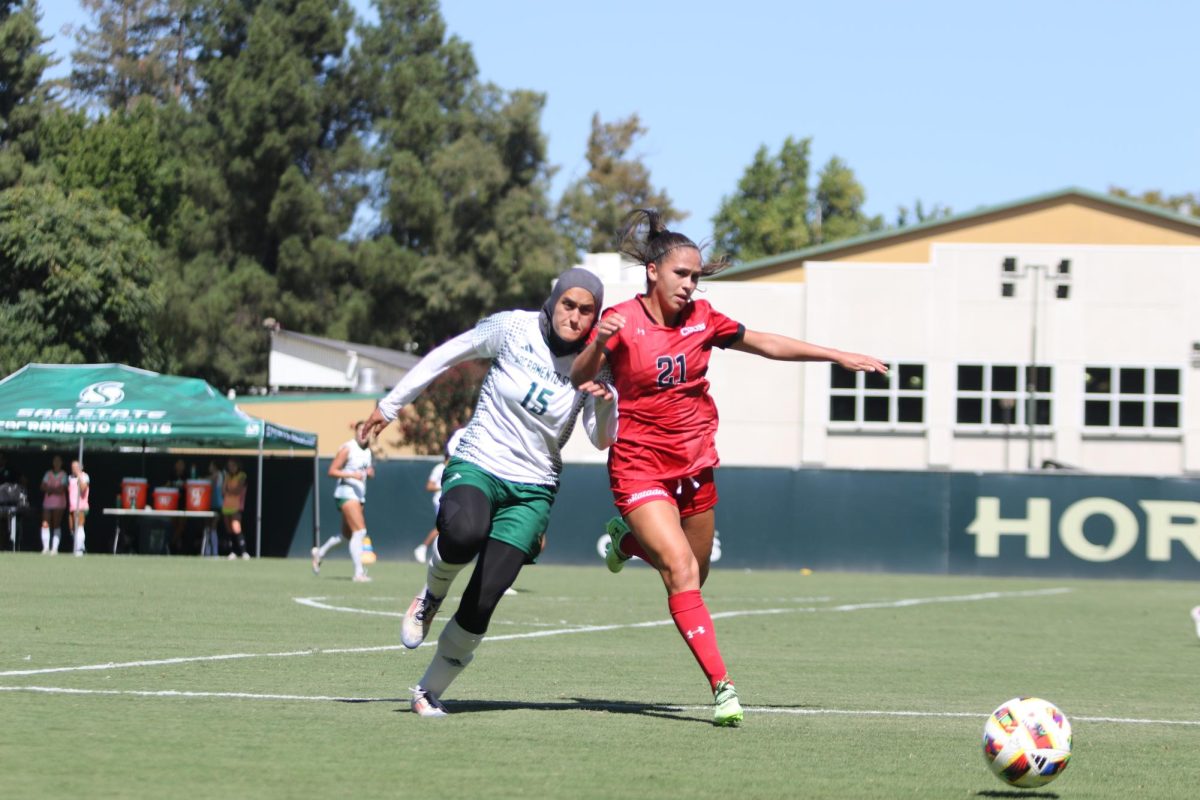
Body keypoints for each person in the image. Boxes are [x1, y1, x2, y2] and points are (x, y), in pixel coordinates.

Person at [570, 209, 889, 727]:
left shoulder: (704, 318)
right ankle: (723, 688)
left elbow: (766, 343)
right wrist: (600, 344)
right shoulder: (623, 321)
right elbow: (580, 373)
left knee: (697, 573)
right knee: (679, 571)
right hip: (639, 466)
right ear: (653, 271)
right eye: (682, 274)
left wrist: (837, 356)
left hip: (695, 462)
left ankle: (625, 543)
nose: (690, 284)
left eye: (696, 276)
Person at [359, 267, 617, 718]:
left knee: (485, 596)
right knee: (462, 533)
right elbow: (447, 354)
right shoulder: (513, 327)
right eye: (568, 305)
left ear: (595, 317)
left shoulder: (598, 360)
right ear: (553, 300)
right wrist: (391, 404)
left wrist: (606, 402)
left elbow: (600, 438)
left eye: (586, 311)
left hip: (534, 486)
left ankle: (427, 691)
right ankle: (430, 596)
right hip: (480, 459)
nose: (575, 317)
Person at [312, 420, 376, 582]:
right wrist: (351, 475)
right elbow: (332, 470)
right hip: (346, 493)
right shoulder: (348, 448)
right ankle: (358, 573)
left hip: (359, 495)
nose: (363, 434)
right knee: (360, 532)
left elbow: (368, 472)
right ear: (355, 432)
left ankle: (319, 553)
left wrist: (369, 472)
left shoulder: (367, 451)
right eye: (361, 431)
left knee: (347, 536)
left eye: (366, 431)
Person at [414, 427, 466, 564]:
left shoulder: (456, 469)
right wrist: (444, 485)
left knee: (446, 528)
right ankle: (423, 548)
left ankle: (433, 551)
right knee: (443, 527)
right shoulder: (439, 468)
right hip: (440, 501)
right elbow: (429, 486)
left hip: (452, 500)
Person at [222, 458, 250, 559]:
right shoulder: (227, 476)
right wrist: (229, 490)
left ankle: (243, 552)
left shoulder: (242, 475)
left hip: (237, 506)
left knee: (236, 527)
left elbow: (237, 490)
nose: (231, 467)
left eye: (233, 465)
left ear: (237, 465)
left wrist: (229, 490)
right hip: (226, 506)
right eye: (229, 465)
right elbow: (223, 490)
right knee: (229, 529)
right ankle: (233, 552)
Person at [39, 455, 68, 554]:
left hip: (59, 504)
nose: (56, 463)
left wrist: (50, 489)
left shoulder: (64, 474)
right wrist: (53, 489)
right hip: (47, 503)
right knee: (45, 523)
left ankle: (54, 548)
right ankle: (46, 547)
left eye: (58, 461)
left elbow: (62, 489)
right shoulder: (48, 473)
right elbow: (42, 486)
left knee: (56, 524)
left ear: (61, 463)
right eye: (55, 461)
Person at [67, 459, 90, 557]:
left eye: (76, 467)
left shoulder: (85, 477)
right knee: (72, 528)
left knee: (79, 526)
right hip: (72, 506)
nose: (74, 469)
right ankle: (81, 546)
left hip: (81, 506)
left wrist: (79, 477)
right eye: (73, 467)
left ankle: (79, 549)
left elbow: (83, 488)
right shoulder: (69, 478)